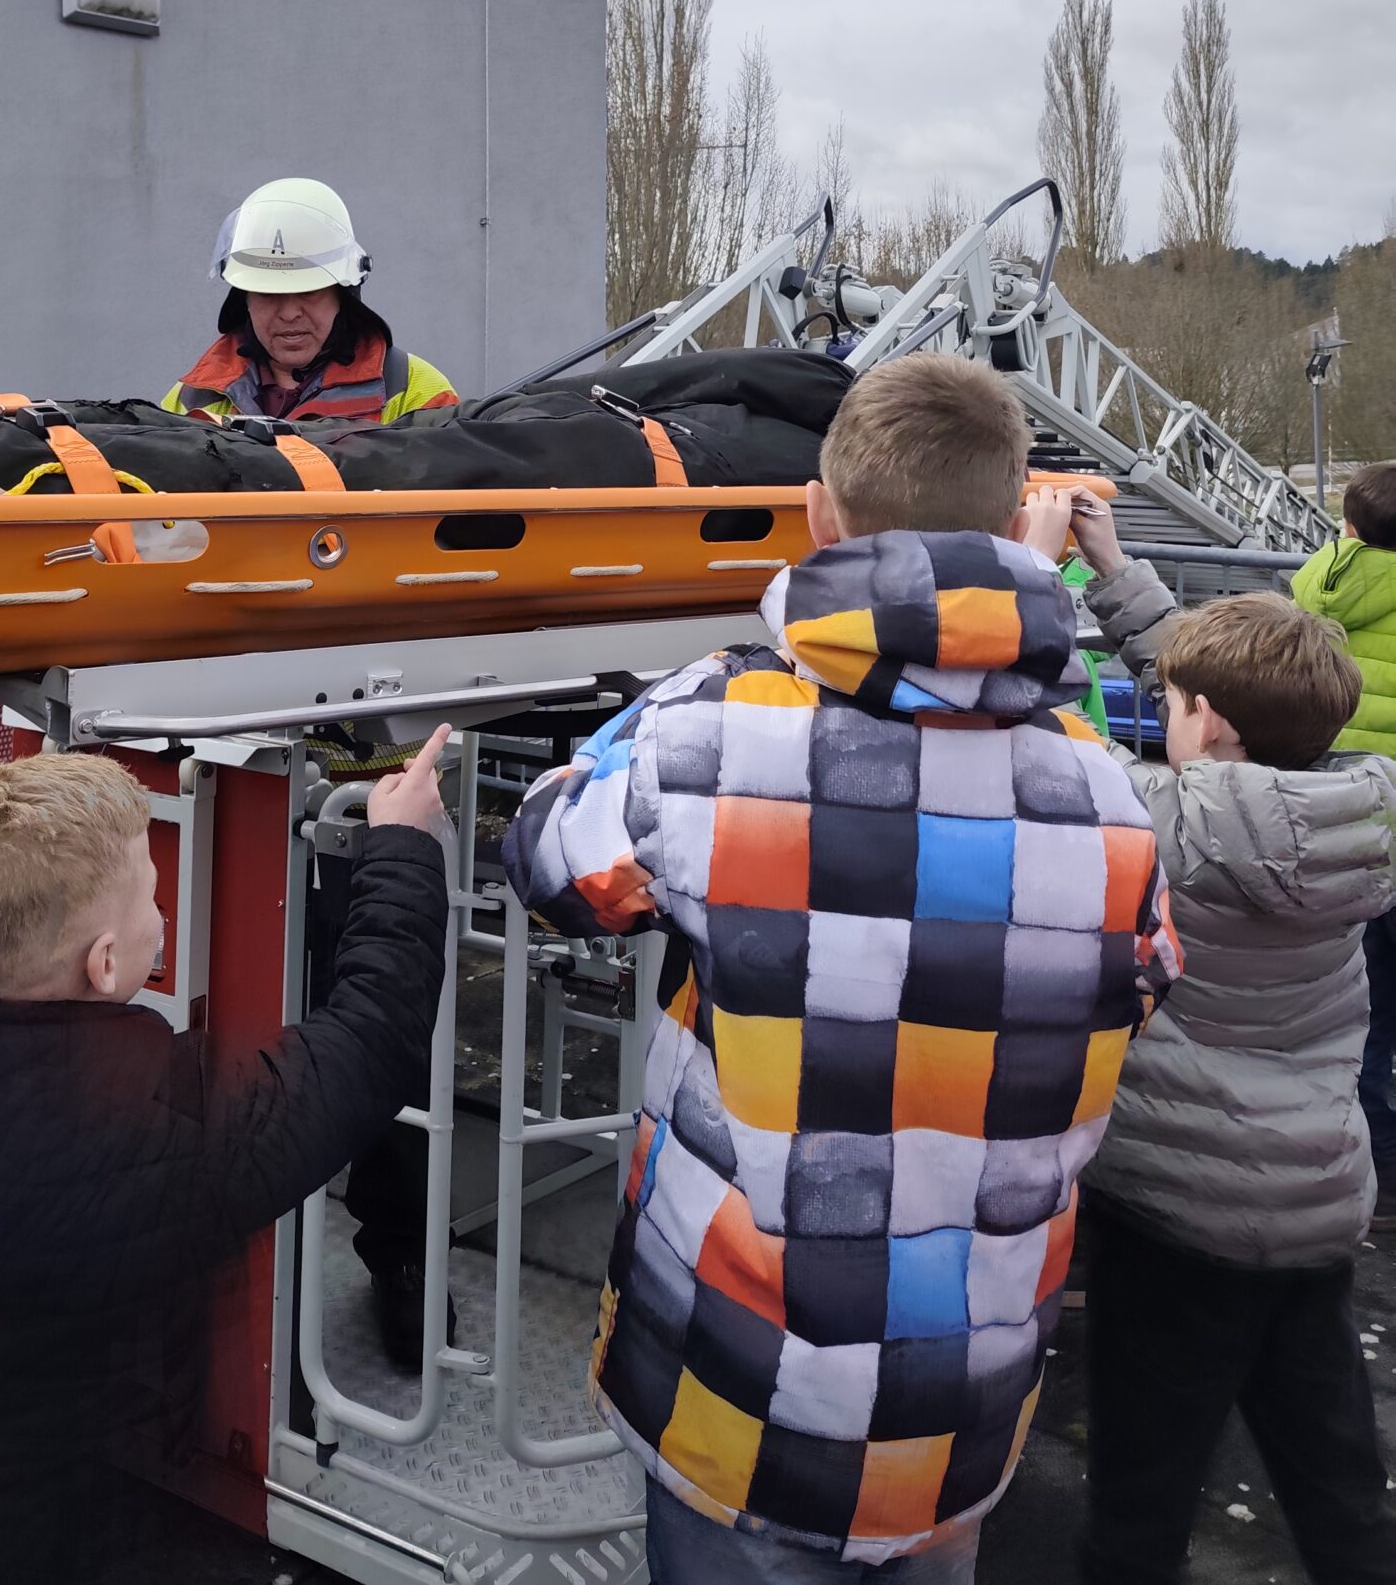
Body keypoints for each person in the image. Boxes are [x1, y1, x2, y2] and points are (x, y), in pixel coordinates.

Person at [502, 356, 1179, 1582]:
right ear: (1012, 509)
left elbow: (551, 860)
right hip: (959, 1411)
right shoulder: (1111, 793)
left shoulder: (709, 731)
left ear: (820, 514)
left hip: (738, 1389)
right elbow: (1146, 973)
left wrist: (650, 713)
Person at [0, 725, 452, 1585]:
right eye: (150, 895)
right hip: (97, 1530)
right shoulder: (166, 1133)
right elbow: (371, 1042)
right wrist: (400, 847)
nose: (162, 911)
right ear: (104, 964)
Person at [1046, 491, 1396, 1584]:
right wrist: (1114, 569)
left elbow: (1040, 724)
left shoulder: (1159, 821)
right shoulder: (1359, 812)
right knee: (1335, 1480)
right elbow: (1216, 701)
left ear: (1208, 726)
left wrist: (1025, 569)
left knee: (1141, 1494)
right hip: (1311, 1208)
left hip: (1176, 1223)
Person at [1292, 460, 1396, 1220]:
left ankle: (1372, 1162)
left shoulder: (1313, 584)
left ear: (1349, 527)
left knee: (1359, 1006)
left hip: (1345, 826)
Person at [161, 176, 457, 424]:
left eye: (308, 292)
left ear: (342, 296)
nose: (289, 313)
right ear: (245, 301)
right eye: (269, 293)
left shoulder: (412, 391)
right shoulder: (191, 398)